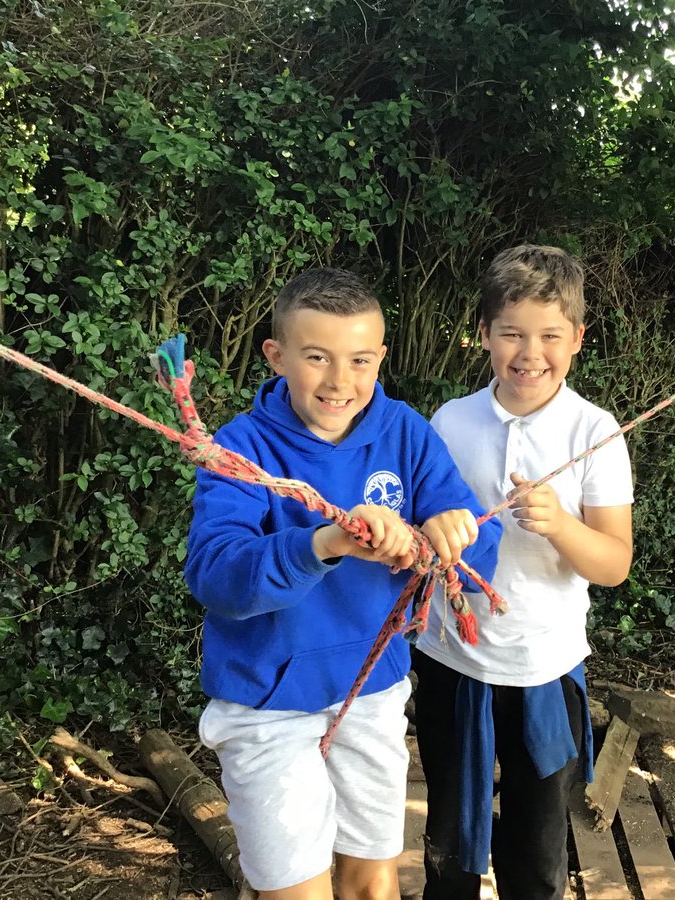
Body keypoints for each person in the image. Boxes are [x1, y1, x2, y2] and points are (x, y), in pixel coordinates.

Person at [185, 267, 502, 900]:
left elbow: (479, 557)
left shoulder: (406, 432)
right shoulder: (241, 448)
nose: (339, 381)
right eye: (316, 357)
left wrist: (447, 530)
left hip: (372, 693)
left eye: (359, 359)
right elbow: (217, 574)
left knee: (371, 885)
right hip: (265, 705)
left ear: (381, 356)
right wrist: (324, 543)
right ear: (276, 356)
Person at [412, 245, 635, 900]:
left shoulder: (596, 431)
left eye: (548, 335)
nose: (528, 352)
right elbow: (423, 527)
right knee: (450, 845)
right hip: (451, 661)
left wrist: (561, 525)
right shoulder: (449, 421)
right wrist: (433, 536)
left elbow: (615, 563)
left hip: (545, 668)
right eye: (510, 332)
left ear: (578, 340)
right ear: (483, 334)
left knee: (537, 852)